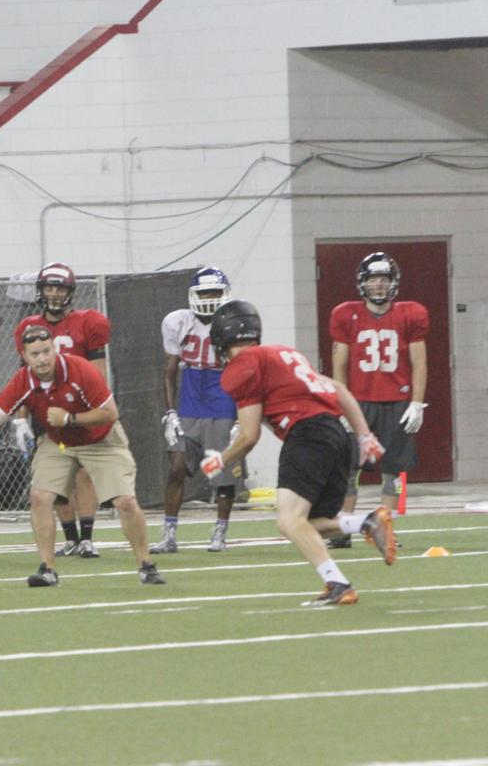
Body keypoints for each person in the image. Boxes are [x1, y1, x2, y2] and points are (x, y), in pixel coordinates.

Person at [0, 325, 164, 587]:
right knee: (40, 496)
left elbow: (110, 413)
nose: (42, 359)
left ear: (55, 350)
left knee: (125, 501)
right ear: (24, 356)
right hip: (59, 442)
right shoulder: (23, 381)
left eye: (46, 352)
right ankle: (47, 569)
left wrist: (69, 418)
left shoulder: (79, 370)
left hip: (101, 440)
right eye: (35, 354)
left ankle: (146, 565)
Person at [200, 300, 395, 606]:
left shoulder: (242, 366)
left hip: (308, 435)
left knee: (289, 521)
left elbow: (249, 436)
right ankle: (366, 523)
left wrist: (221, 460)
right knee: (312, 521)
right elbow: (339, 390)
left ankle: (338, 584)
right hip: (337, 434)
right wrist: (364, 435)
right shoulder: (283, 353)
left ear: (221, 337)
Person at [327, 252, 428, 548]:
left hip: (397, 403)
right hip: (359, 403)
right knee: (349, 471)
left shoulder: (410, 314)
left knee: (392, 473)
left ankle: (385, 530)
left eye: (384, 279)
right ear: (363, 283)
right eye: (373, 279)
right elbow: (339, 365)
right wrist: (342, 405)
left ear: (394, 282)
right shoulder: (346, 314)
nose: (379, 285)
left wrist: (417, 402)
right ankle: (342, 529)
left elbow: (419, 363)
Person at [12, 262, 109, 558]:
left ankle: (87, 537)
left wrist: (94, 409)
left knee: (84, 472)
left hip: (79, 408)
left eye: (60, 288)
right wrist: (20, 419)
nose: (54, 293)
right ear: (40, 290)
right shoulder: (27, 327)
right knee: (58, 477)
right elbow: (24, 377)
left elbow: (99, 373)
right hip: (46, 409)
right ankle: (71, 538)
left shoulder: (88, 321)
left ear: (70, 292)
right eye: (49, 287)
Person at [152, 267, 246, 554]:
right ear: (193, 295)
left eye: (214, 293)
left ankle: (220, 532)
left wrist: (241, 416)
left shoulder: (235, 322)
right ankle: (169, 534)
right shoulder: (178, 322)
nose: (209, 299)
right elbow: (170, 371)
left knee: (222, 474)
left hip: (223, 401)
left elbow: (245, 373)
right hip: (190, 402)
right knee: (176, 469)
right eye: (204, 293)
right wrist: (170, 412)